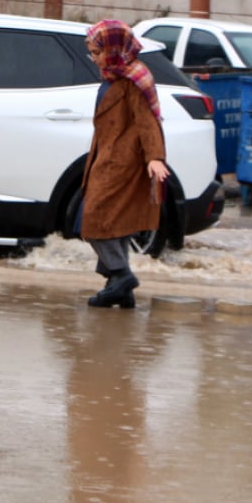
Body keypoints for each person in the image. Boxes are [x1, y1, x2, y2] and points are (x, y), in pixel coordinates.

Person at [79, 19, 170, 308]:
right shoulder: (113, 75)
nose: (94, 58)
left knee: (94, 220)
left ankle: (121, 275)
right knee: (115, 224)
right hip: (105, 158)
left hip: (123, 162)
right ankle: (118, 289)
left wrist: (155, 157)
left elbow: (148, 121)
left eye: (97, 52)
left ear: (115, 49)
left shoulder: (134, 80)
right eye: (92, 53)